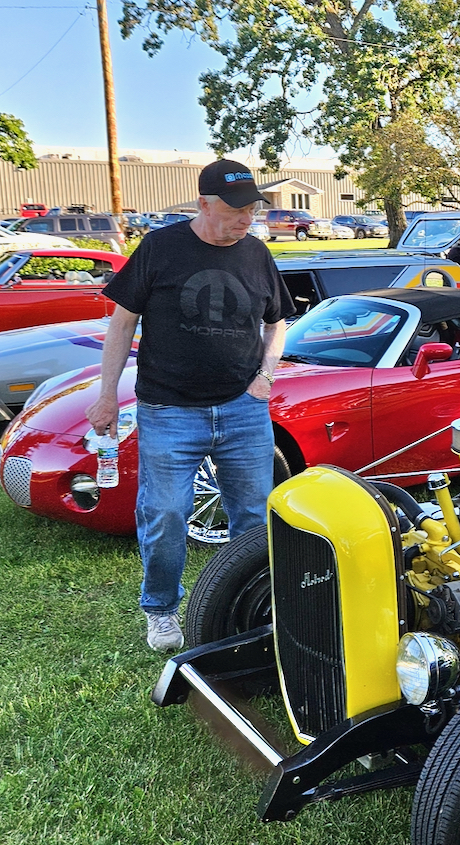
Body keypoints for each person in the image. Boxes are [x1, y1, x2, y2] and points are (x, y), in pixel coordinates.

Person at [85, 159, 294, 652]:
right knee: (166, 514)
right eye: (236, 208)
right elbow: (121, 324)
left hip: (243, 411)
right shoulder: (160, 247)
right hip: (169, 411)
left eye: (253, 208)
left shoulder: (257, 253)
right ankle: (160, 609)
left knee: (252, 518)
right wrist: (106, 395)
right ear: (203, 203)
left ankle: (252, 605)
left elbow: (276, 322)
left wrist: (265, 376)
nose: (248, 218)